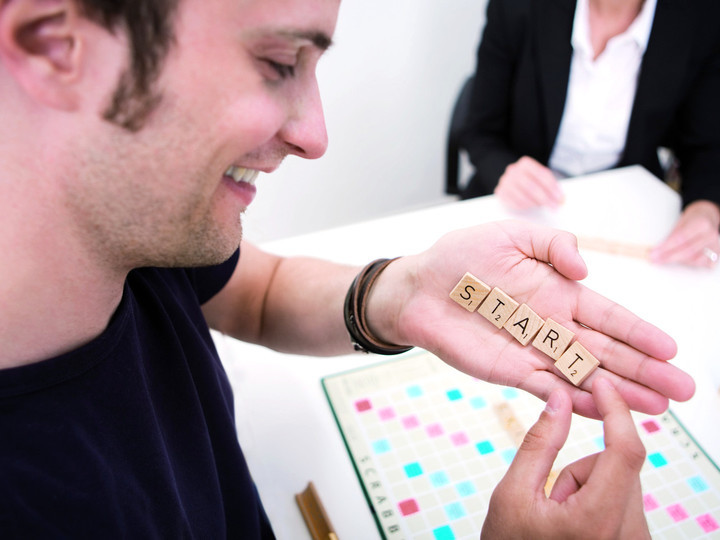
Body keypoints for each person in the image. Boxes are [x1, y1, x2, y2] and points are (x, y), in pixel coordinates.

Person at [0, 0, 695, 537]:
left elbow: (258, 294)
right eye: (278, 62)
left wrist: (402, 292)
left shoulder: (138, 234)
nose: (316, 136)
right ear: (57, 47)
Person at [458, 0, 720, 268]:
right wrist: (505, 169)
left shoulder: (702, 18)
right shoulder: (518, 7)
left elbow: (706, 146)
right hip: (524, 206)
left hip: (626, 213)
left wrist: (706, 207)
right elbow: (479, 129)